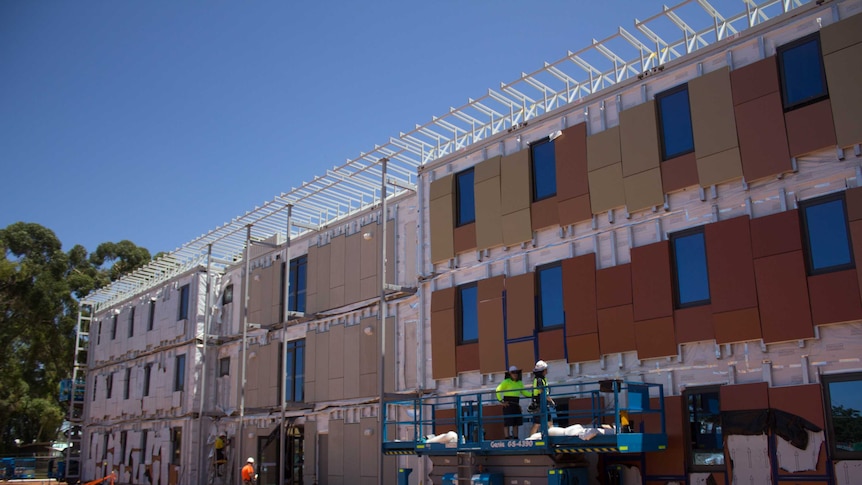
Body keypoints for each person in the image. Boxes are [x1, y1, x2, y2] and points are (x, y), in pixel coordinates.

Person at [495, 365, 531, 439]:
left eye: (516, 372)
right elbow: (498, 390)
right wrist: (501, 401)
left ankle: (516, 438)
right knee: (507, 422)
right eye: (513, 373)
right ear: (510, 374)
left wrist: (534, 394)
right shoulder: (506, 382)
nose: (515, 374)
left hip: (516, 403)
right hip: (508, 404)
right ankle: (507, 438)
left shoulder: (519, 383)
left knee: (516, 423)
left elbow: (524, 392)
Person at [529, 360, 556, 435]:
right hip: (539, 404)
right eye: (545, 369)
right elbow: (542, 391)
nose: (547, 371)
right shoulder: (539, 380)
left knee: (549, 422)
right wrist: (551, 401)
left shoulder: (541, 379)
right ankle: (530, 441)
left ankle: (553, 438)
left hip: (542, 403)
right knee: (537, 424)